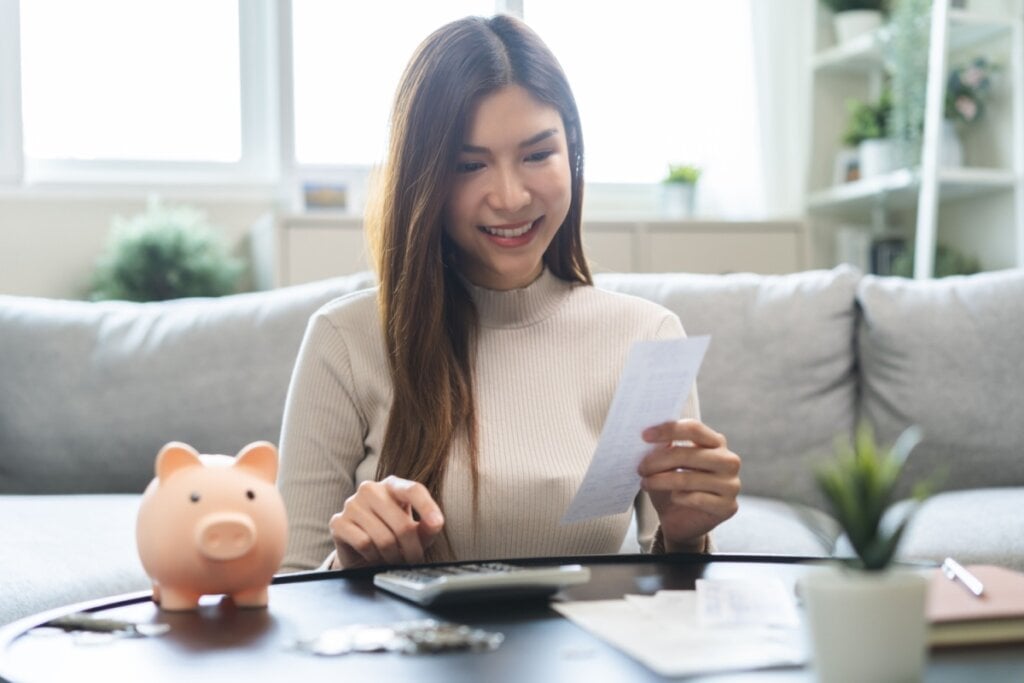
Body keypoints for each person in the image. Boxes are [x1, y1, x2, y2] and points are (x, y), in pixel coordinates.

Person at [278, 14, 740, 572]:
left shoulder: (647, 338)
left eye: (537, 154)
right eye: (470, 164)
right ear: (424, 180)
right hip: (410, 657)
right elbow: (289, 591)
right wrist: (349, 565)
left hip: (584, 656)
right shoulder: (345, 340)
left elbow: (669, 609)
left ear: (570, 150)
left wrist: (686, 539)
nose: (511, 196)